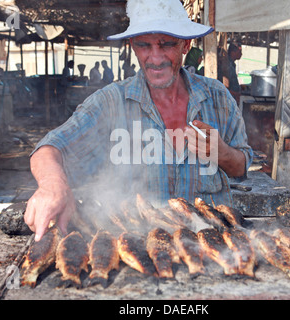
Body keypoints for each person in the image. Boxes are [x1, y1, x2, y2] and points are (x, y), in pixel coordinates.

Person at [24, 0, 252, 241]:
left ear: (185, 44)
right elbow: (49, 148)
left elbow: (241, 167)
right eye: (144, 45)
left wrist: (222, 152)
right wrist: (52, 184)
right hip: (136, 252)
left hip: (213, 250)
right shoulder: (110, 103)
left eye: (166, 45)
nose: (155, 58)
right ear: (132, 45)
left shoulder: (218, 97)